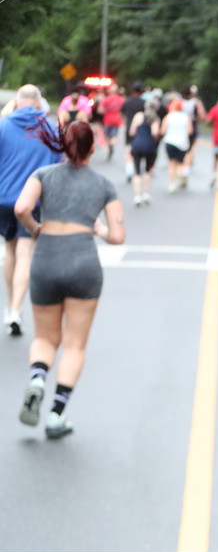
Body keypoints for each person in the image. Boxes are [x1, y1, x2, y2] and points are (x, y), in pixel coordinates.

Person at [14, 121, 125, 438]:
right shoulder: (104, 184)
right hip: (83, 264)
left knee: (45, 339)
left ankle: (37, 380)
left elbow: (22, 207)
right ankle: (56, 415)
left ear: (63, 145)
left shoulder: (43, 175)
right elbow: (118, 236)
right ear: (93, 147)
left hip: (46, 260)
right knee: (74, 344)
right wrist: (99, 229)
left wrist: (36, 228)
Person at [0, 85, 63, 337]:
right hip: (32, 202)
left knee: (10, 251)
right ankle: (16, 309)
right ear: (38, 104)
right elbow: (59, 167)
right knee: (25, 253)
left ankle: (10, 305)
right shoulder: (49, 129)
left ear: (17, 102)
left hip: (3, 199)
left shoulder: (3, 125)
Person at [128, 99, 161, 206]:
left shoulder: (138, 116)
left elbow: (132, 132)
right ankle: (146, 193)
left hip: (137, 145)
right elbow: (155, 133)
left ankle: (137, 196)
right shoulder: (155, 118)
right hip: (149, 147)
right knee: (148, 170)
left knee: (137, 171)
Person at [159, 98, 193, 193]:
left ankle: (171, 183)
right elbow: (190, 131)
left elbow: (162, 131)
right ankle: (181, 176)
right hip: (182, 143)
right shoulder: (185, 117)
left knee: (171, 163)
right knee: (180, 163)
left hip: (170, 142)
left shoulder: (168, 116)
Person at [180, 85, 207, 188]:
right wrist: (196, 119)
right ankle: (185, 171)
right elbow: (203, 116)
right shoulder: (196, 102)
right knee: (190, 151)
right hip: (192, 128)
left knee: (181, 151)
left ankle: (179, 170)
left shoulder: (179, 102)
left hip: (180, 128)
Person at [121, 82, 146, 184]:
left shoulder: (127, 101)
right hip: (140, 130)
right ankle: (139, 168)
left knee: (128, 149)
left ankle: (129, 171)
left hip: (129, 128)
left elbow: (122, 112)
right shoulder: (143, 102)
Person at [100, 84, 124, 161]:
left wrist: (106, 110)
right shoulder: (121, 99)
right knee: (114, 137)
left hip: (107, 121)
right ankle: (111, 145)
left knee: (107, 137)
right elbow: (123, 111)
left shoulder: (106, 99)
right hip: (117, 121)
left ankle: (109, 147)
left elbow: (100, 110)